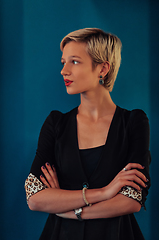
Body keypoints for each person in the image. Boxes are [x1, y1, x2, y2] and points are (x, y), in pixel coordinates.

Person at [25, 28, 151, 240]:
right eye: (63, 62)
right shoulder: (56, 123)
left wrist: (63, 206)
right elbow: (35, 198)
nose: (63, 71)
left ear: (103, 68)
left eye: (74, 61)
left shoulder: (134, 122)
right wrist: (105, 192)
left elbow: (131, 199)